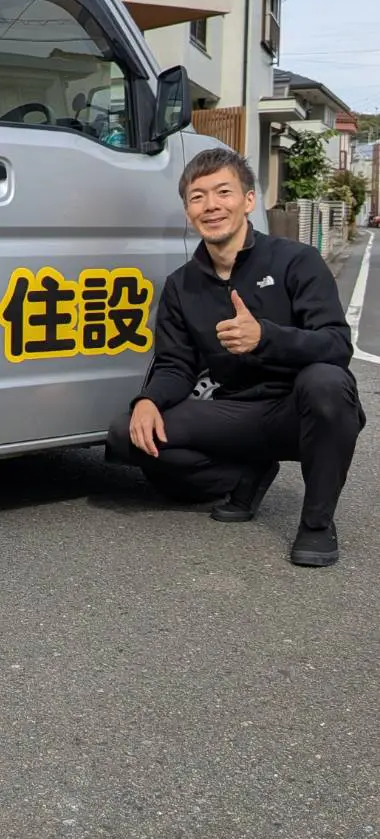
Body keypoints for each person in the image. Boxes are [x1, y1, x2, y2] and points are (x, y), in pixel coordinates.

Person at [107, 146, 364, 568]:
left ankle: (317, 522)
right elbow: (175, 364)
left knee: (327, 383)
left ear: (248, 200)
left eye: (223, 192)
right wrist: (148, 401)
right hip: (236, 413)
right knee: (127, 435)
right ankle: (247, 474)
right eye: (197, 196)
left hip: (300, 412)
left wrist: (266, 337)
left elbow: (336, 345)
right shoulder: (181, 285)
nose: (211, 206)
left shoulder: (295, 261)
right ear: (188, 210)